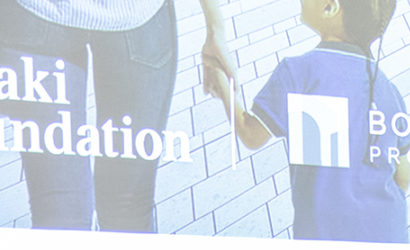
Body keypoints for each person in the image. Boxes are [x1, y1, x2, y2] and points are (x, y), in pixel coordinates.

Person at [0, 0, 235, 230]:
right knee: (106, 213)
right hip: (49, 18)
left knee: (70, 216)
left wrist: (215, 28)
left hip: (123, 20)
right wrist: (215, 27)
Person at [228, 0, 410, 242]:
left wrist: (223, 87)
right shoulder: (389, 90)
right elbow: (403, 177)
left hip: (325, 239)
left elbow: (251, 135)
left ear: (330, 7)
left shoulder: (299, 72)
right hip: (390, 235)